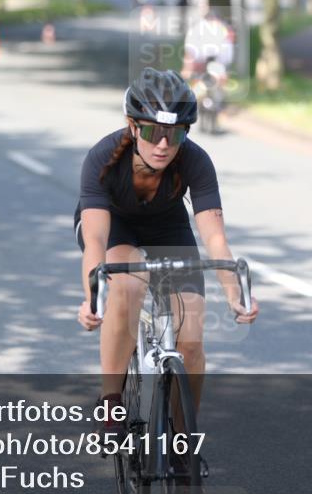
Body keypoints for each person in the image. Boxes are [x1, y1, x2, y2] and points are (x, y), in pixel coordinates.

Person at [74, 67, 259, 437]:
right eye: (152, 131)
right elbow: (95, 239)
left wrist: (235, 295)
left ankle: (181, 437)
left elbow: (215, 238)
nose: (163, 144)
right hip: (116, 226)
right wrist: (93, 299)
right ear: (132, 125)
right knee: (126, 284)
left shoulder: (195, 160)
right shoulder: (103, 158)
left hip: (166, 225)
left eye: (174, 134)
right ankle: (111, 403)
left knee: (191, 341)